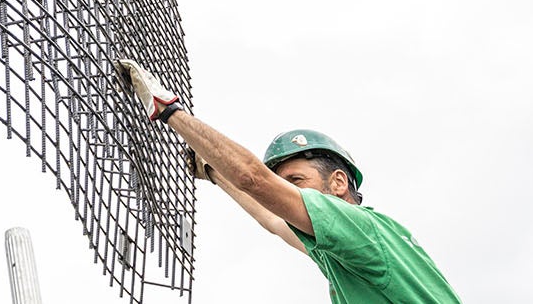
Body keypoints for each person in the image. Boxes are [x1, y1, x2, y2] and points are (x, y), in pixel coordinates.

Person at [115, 59, 460, 303]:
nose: (288, 192)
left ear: (338, 183)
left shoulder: (357, 224)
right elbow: (272, 218)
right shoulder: (349, 249)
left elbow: (254, 179)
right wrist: (215, 174)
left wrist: (169, 111)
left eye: (296, 179)